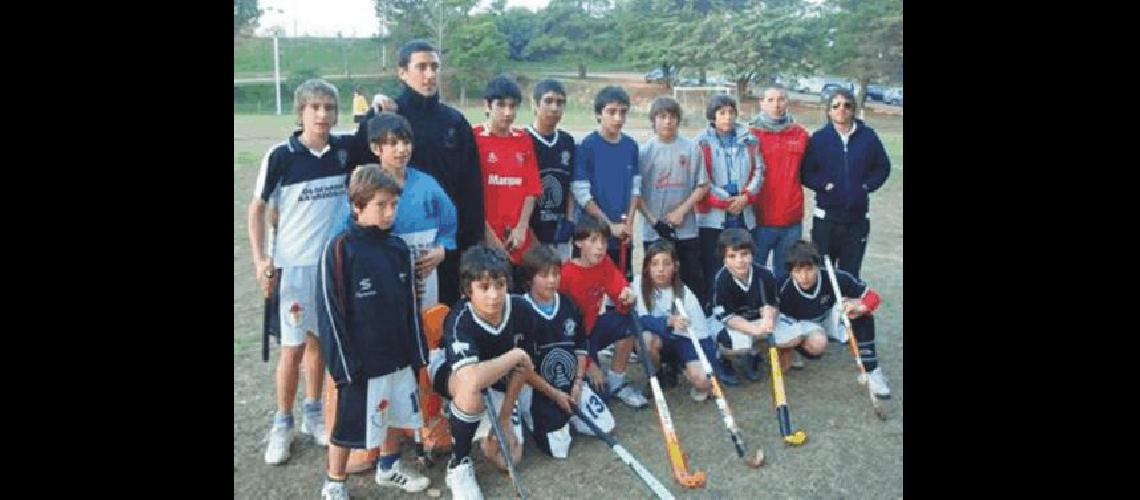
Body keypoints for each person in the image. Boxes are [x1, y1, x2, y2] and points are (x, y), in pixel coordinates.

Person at [327, 111, 458, 474]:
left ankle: (425, 426)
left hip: (421, 279)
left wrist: (443, 249)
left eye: (406, 142)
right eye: (392, 143)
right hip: (377, 292)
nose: (401, 150)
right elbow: (343, 237)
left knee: (422, 349)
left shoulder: (428, 185)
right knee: (378, 359)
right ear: (375, 149)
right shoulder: (362, 192)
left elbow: (450, 221)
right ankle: (367, 442)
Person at [247, 79, 362, 466]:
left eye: (329, 108)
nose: (323, 115)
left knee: (319, 344)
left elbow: (373, 131)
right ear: (301, 112)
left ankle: (314, 412)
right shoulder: (281, 155)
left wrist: (381, 106)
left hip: (330, 265)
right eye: (315, 108)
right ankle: (282, 422)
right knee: (292, 348)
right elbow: (258, 209)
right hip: (292, 267)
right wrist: (261, 259)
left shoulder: (344, 148)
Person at [316, 166, 432, 499]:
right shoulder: (339, 250)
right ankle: (334, 482)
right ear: (357, 205)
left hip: (396, 356)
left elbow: (411, 304)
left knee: (396, 411)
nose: (390, 212)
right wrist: (343, 366)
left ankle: (389, 466)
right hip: (361, 364)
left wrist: (417, 351)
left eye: (394, 204)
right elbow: (330, 312)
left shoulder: (398, 248)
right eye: (381, 205)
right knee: (348, 425)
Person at [356, 38, 485, 307]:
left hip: (442, 248)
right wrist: (371, 116)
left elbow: (471, 190)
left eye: (435, 67)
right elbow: (359, 168)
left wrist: (466, 249)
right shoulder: (386, 118)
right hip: (390, 243)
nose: (430, 74)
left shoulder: (454, 122)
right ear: (402, 72)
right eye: (421, 67)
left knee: (441, 322)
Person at [428, 245, 536, 500]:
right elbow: (472, 378)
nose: (494, 295)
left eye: (499, 285)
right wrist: (514, 355)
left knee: (507, 459)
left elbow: (522, 369)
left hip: (497, 379)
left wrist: (505, 418)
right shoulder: (458, 319)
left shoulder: (521, 309)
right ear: (468, 291)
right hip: (451, 371)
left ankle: (478, 420)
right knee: (471, 390)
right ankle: (459, 463)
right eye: (484, 288)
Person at [515, 245, 615, 457]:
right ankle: (533, 415)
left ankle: (568, 413)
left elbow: (580, 346)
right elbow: (521, 368)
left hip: (570, 382)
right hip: (537, 388)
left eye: (555, 274)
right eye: (544, 275)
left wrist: (578, 382)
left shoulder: (568, 305)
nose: (552, 280)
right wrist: (554, 395)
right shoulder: (519, 310)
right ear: (530, 278)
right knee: (559, 449)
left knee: (606, 425)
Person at [774, 240, 890, 398]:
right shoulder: (782, 286)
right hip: (798, 324)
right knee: (817, 344)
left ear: (818, 266)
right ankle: (795, 349)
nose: (804, 276)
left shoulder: (834, 277)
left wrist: (859, 306)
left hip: (827, 317)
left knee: (862, 314)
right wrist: (785, 347)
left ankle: (872, 370)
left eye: (810, 269)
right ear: (790, 271)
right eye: (798, 271)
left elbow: (873, 297)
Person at [558, 214, 647, 409]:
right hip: (573, 340)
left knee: (629, 321)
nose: (600, 247)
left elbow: (620, 293)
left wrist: (627, 296)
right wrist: (588, 363)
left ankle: (617, 380)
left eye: (604, 241)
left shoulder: (605, 263)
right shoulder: (565, 275)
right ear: (578, 243)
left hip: (593, 329)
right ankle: (595, 373)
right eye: (593, 240)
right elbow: (561, 330)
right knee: (600, 396)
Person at [800, 88, 891, 279]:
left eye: (847, 105)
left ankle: (846, 309)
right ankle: (825, 309)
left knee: (849, 275)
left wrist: (867, 186)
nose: (842, 109)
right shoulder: (819, 138)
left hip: (857, 219)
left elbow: (883, 166)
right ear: (829, 111)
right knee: (824, 274)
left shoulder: (868, 137)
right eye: (836, 106)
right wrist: (824, 185)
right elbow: (806, 173)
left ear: (854, 110)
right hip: (826, 219)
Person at [637, 96, 710, 308]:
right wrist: (654, 222)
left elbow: (703, 185)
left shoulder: (691, 148)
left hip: (685, 229)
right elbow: (636, 195)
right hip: (655, 231)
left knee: (690, 277)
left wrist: (681, 211)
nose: (667, 121)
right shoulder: (645, 153)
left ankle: (696, 319)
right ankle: (657, 317)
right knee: (657, 277)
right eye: (662, 117)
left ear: (678, 120)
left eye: (672, 117)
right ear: (653, 121)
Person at [694, 94, 765, 305]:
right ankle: (714, 307)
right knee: (714, 264)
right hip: (714, 217)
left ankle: (743, 307)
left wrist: (746, 197)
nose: (727, 117)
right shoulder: (701, 142)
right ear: (712, 116)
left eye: (731, 112)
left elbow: (759, 172)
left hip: (743, 212)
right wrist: (726, 201)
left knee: (742, 262)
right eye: (721, 113)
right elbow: (701, 177)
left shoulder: (750, 140)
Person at [632, 240, 721, 401]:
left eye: (666, 264)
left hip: (685, 341)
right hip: (660, 338)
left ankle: (680, 366)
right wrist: (667, 321)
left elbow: (703, 337)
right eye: (654, 264)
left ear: (675, 266)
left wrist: (711, 369)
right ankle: (657, 376)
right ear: (647, 267)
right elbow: (638, 320)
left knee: (703, 381)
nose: (660, 269)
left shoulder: (685, 295)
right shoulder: (639, 284)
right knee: (645, 340)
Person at [473, 75, 542, 274]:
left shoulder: (523, 139)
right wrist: (489, 237)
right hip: (486, 237)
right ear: (487, 105)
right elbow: (469, 194)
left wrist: (522, 227)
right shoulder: (474, 137)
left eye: (513, 106)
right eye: (501, 105)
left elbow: (531, 188)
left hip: (517, 237)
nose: (507, 112)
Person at [571, 85, 640, 281]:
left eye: (623, 112)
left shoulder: (631, 146)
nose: (618, 118)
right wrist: (609, 226)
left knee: (621, 291)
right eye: (611, 112)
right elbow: (582, 195)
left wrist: (628, 225)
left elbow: (636, 188)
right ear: (599, 114)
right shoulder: (587, 146)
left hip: (622, 237)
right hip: (594, 235)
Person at [749, 85, 810, 282]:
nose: (776, 105)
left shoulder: (800, 134)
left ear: (787, 102)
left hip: (791, 219)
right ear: (762, 103)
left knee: (785, 274)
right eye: (770, 100)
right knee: (754, 272)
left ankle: (784, 311)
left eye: (781, 99)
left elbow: (814, 168)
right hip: (760, 218)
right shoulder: (749, 135)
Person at [708, 228, 779, 383]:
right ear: (724, 259)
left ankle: (753, 355)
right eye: (732, 256)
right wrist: (756, 331)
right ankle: (722, 358)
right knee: (738, 344)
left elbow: (772, 304)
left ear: (752, 253)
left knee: (779, 333)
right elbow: (726, 317)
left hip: (754, 319)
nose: (739, 261)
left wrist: (769, 316)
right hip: (726, 322)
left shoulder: (765, 275)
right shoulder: (721, 280)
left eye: (744, 254)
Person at [525, 79, 577, 260]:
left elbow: (570, 185)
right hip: (529, 234)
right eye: (548, 101)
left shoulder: (567, 142)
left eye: (560, 102)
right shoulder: (523, 140)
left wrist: (570, 221)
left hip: (559, 234)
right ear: (535, 104)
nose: (554, 108)